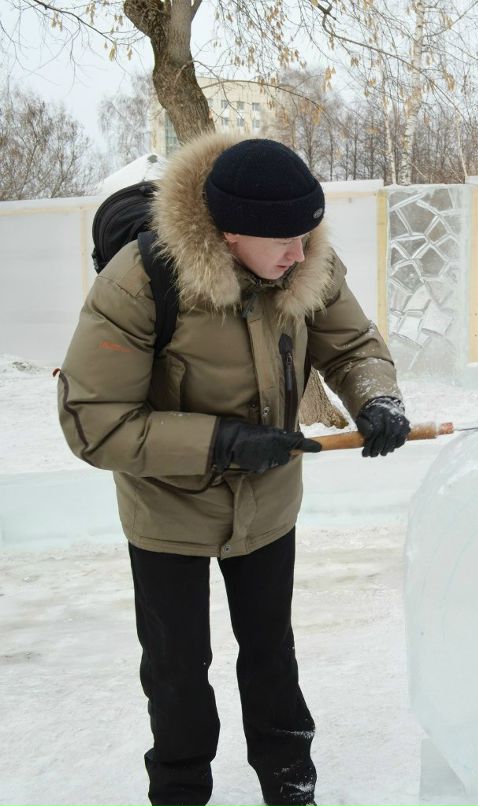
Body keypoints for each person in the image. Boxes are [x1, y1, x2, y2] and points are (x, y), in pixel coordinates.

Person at [57, 133, 411, 806]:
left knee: (271, 655)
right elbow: (92, 421)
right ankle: (181, 790)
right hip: (167, 510)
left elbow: (353, 343)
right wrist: (221, 444)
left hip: (268, 506)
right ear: (227, 235)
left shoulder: (304, 261)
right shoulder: (139, 281)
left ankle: (290, 781)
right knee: (177, 671)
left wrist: (377, 398)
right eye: (284, 242)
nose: (301, 255)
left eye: (308, 238)